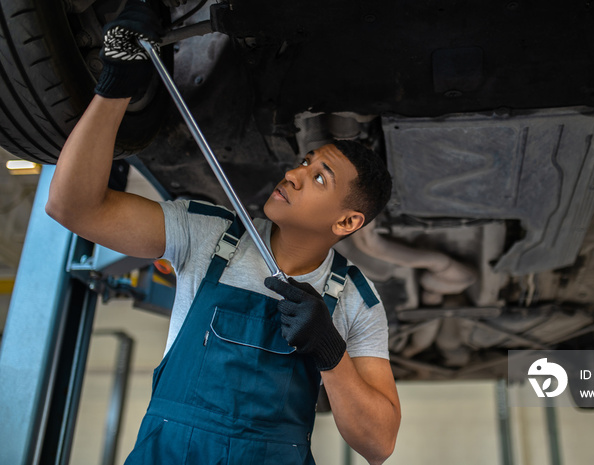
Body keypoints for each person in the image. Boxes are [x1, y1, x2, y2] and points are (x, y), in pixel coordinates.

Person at [45, 2, 400, 464]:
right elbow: (71, 206)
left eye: (319, 178)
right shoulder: (210, 234)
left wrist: (331, 352)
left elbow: (379, 444)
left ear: (348, 222)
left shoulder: (354, 298)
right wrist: (118, 85)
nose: (294, 173)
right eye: (304, 161)